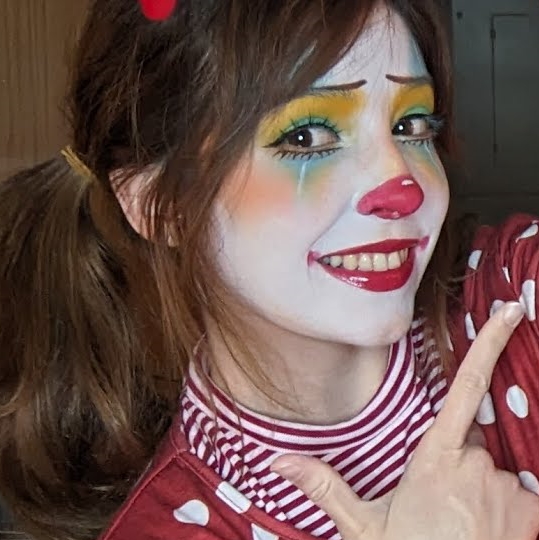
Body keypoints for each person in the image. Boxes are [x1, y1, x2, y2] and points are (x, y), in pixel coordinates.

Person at [0, 0, 538, 539]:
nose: (402, 189)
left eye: (411, 124)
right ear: (164, 206)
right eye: (307, 137)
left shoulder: (518, 294)